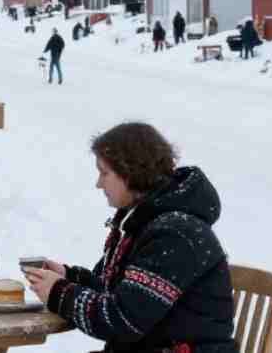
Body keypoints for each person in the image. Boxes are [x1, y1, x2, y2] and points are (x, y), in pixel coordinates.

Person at [23, 123, 236, 353]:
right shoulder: (143, 222)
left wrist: (59, 292)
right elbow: (120, 294)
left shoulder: (175, 234)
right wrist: (70, 278)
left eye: (104, 173)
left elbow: (124, 320)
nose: (98, 183)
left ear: (131, 172)